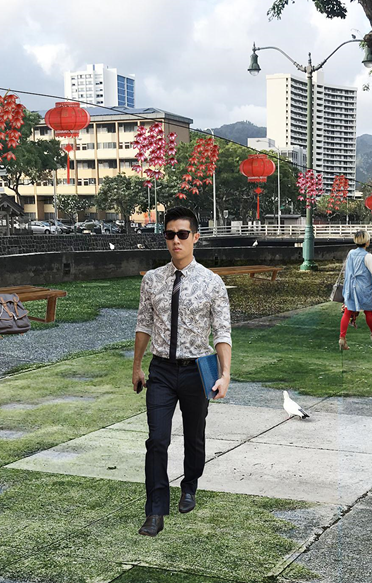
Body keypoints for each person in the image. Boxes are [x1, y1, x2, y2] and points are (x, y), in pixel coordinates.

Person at [133, 207, 232, 537]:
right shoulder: (152, 280)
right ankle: (155, 511)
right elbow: (144, 325)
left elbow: (222, 332)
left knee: (194, 435)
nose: (176, 240)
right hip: (161, 370)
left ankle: (189, 485)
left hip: (197, 370)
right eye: (170, 234)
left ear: (195, 237)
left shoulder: (212, 283)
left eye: (182, 234)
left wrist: (225, 374)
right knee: (156, 440)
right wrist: (137, 366)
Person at [340, 230, 372, 353]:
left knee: (347, 312)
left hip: (351, 287)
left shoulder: (351, 253)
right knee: (368, 312)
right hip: (363, 288)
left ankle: (342, 338)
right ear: (367, 242)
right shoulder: (367, 256)